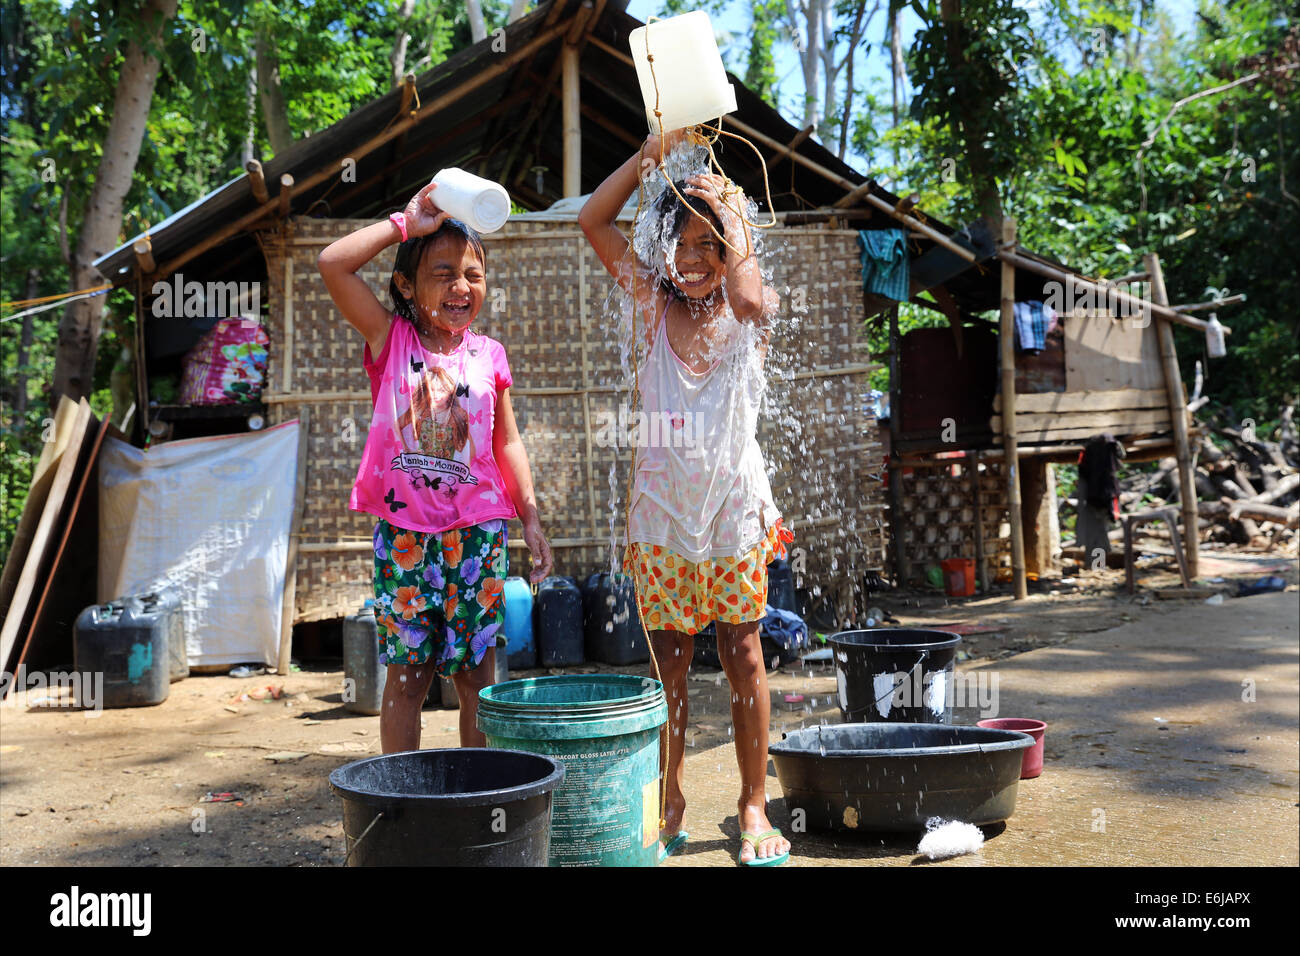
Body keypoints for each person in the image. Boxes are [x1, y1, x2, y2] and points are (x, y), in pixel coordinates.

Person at [579, 131, 794, 866]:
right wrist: (652, 153)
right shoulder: (648, 303)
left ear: (734, 246)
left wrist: (731, 217)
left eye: (712, 243)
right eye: (685, 242)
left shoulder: (749, 305)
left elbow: (744, 292)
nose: (697, 258)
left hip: (733, 513)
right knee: (669, 666)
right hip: (663, 521)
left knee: (744, 656)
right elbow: (592, 222)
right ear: (663, 248)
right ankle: (669, 799)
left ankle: (751, 802)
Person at [318, 182, 553, 752]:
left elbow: (509, 443)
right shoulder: (389, 338)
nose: (459, 287)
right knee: (408, 677)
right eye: (441, 273)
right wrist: (406, 224)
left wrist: (529, 516)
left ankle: (476, 802)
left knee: (476, 676)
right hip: (404, 536)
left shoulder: (489, 355)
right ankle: (402, 805)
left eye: (473, 274)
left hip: (477, 535)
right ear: (406, 284)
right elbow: (332, 265)